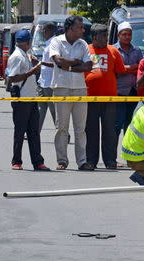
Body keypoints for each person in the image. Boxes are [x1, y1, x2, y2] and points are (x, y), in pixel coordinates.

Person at [49, 15, 94, 171]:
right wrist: (76, 61)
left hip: (80, 88)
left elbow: (88, 66)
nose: (83, 30)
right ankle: (62, 160)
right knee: (62, 127)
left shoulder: (83, 44)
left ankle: (82, 161)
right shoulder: (57, 41)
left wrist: (69, 66)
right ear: (71, 28)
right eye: (80, 27)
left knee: (80, 128)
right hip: (61, 87)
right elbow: (58, 61)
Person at [6, 30, 49, 171]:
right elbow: (12, 78)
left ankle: (38, 161)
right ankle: (16, 161)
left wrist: (33, 64)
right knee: (20, 132)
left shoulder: (25, 55)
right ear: (27, 42)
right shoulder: (17, 57)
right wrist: (33, 70)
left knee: (34, 132)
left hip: (31, 98)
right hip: (21, 100)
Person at [84, 24, 126, 169]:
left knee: (109, 131)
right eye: (103, 36)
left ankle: (110, 161)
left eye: (106, 35)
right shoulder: (85, 50)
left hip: (109, 99)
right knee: (91, 131)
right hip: (90, 99)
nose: (106, 38)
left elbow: (119, 71)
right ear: (94, 37)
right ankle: (90, 161)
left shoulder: (113, 51)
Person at [113, 22, 143, 157]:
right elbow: (116, 71)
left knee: (130, 125)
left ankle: (128, 154)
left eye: (129, 34)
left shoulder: (137, 51)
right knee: (117, 125)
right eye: (124, 34)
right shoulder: (113, 50)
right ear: (118, 35)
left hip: (133, 91)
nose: (127, 37)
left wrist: (127, 68)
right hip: (118, 92)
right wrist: (131, 68)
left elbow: (141, 69)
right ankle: (112, 157)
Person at [37, 21, 57, 133]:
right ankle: (35, 132)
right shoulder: (48, 43)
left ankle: (63, 133)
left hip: (50, 83)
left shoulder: (54, 44)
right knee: (40, 108)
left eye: (44, 30)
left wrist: (41, 63)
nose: (43, 33)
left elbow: (57, 64)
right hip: (43, 81)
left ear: (49, 31)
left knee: (53, 109)